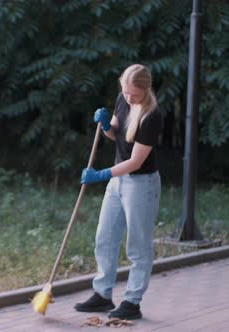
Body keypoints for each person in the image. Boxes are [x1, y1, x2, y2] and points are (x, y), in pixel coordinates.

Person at [73, 64, 163, 320]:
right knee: (105, 237)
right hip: (118, 181)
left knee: (138, 246)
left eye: (133, 94)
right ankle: (102, 294)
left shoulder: (152, 116)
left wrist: (100, 175)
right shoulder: (122, 99)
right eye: (125, 92)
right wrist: (105, 125)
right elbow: (116, 134)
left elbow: (135, 161)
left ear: (145, 90)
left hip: (141, 184)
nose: (128, 98)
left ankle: (132, 302)